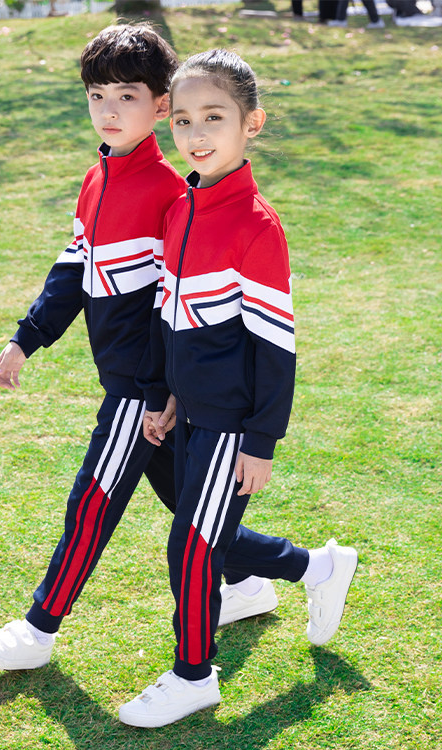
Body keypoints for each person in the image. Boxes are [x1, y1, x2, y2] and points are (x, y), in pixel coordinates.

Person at [0, 25, 306, 674]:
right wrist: (26, 337)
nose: (110, 110)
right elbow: (74, 268)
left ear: (159, 106)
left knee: (94, 499)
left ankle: (39, 628)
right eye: (97, 96)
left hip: (142, 389)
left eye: (128, 96)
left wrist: (157, 389)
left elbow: (172, 308)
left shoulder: (171, 193)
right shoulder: (97, 179)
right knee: (192, 513)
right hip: (145, 387)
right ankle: (274, 575)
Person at [118, 50, 358, 728]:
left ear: (252, 123)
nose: (196, 134)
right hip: (189, 411)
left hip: (231, 421)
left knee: (192, 546)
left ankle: (193, 676)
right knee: (201, 535)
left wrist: (261, 440)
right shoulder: (182, 208)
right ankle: (316, 568)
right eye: (183, 120)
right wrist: (166, 394)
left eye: (214, 117)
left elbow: (276, 347)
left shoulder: (257, 224)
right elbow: (173, 316)